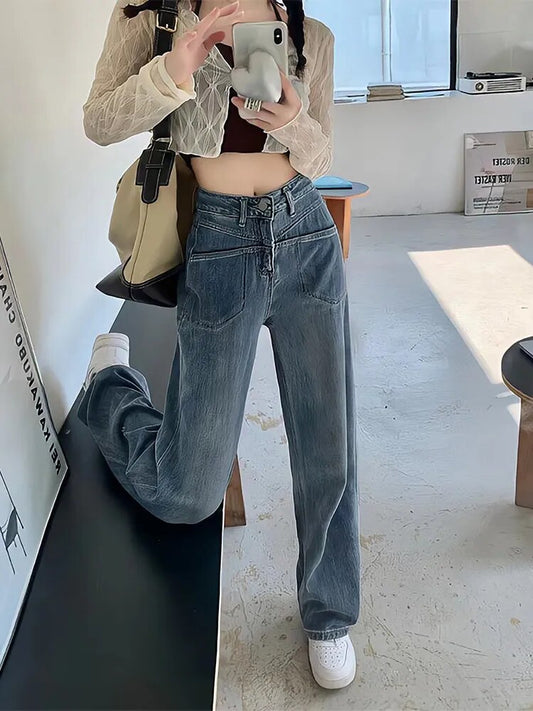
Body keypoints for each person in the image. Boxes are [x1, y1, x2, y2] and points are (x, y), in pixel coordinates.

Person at [77, 0, 360, 690]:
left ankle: (329, 613)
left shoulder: (310, 33)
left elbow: (322, 155)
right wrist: (172, 71)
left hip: (304, 235)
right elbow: (99, 121)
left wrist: (291, 122)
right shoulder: (152, 16)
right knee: (185, 492)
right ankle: (110, 387)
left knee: (328, 446)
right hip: (218, 243)